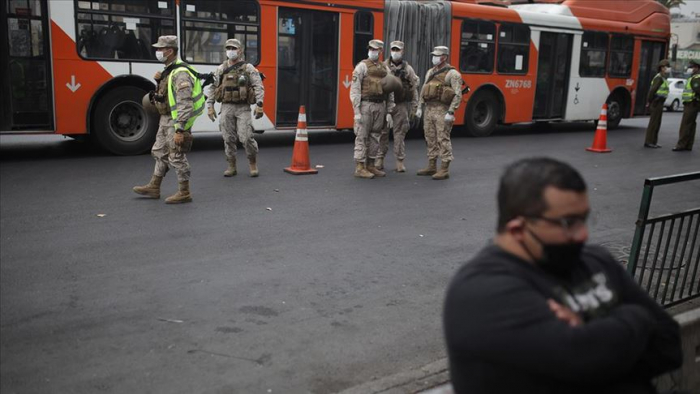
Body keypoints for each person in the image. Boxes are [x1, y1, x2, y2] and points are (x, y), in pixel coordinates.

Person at [443, 157, 682, 394]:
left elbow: (670, 346)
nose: (583, 234)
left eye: (584, 219)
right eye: (569, 223)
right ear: (518, 229)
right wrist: (637, 316)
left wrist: (594, 335)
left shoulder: (595, 260)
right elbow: (583, 362)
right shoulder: (482, 291)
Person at [133, 35, 204, 204]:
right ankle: (154, 186)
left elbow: (184, 103)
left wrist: (180, 129)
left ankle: (184, 192)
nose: (157, 52)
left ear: (170, 51)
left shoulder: (181, 73)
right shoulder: (169, 71)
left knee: (176, 156)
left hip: (176, 122)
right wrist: (158, 81)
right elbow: (166, 95)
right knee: (160, 152)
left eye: (160, 49)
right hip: (165, 119)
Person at [206, 38, 265, 177]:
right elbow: (213, 87)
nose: (231, 51)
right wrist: (210, 106)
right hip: (226, 107)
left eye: (234, 48)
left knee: (246, 137)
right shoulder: (221, 68)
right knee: (228, 138)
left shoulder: (248, 68)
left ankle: (252, 163)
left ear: (240, 50)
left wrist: (259, 104)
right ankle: (231, 165)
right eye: (228, 48)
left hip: (243, 107)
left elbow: (258, 86)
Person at [415, 46, 463, 180]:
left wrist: (451, 111)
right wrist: (420, 107)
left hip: (442, 110)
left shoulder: (453, 74)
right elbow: (424, 89)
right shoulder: (430, 72)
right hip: (429, 109)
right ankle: (431, 165)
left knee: (443, 138)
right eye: (434, 55)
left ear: (444, 57)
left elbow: (458, 95)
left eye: (437, 55)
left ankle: (444, 168)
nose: (434, 57)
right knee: (430, 137)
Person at [350, 39, 395, 179]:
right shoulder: (361, 67)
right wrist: (356, 111)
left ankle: (370, 165)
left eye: (376, 49)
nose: (373, 51)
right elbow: (355, 89)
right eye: (371, 49)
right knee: (362, 136)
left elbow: (390, 90)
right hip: (366, 105)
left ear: (380, 51)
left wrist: (389, 111)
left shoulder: (384, 69)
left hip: (380, 105)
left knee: (376, 136)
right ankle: (359, 167)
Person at [376, 41, 419, 173]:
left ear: (402, 51)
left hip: (400, 105)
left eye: (398, 50)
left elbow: (413, 88)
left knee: (399, 134)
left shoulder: (407, 69)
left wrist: (415, 107)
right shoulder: (383, 66)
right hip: (385, 104)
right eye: (393, 49)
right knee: (382, 132)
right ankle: (379, 159)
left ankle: (400, 161)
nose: (395, 52)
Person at [673, 59, 700, 151]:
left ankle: (681, 145)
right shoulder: (695, 77)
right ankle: (688, 145)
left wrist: (695, 99)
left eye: (692, 67)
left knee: (685, 124)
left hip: (691, 103)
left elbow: (697, 90)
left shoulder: (696, 78)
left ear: (696, 68)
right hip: (693, 103)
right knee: (691, 124)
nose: (690, 69)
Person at [644, 59, 670, 149]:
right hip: (656, 102)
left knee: (657, 122)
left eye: (667, 67)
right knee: (653, 122)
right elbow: (652, 91)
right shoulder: (659, 78)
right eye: (666, 67)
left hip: (660, 102)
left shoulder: (663, 78)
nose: (667, 69)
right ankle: (649, 141)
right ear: (661, 68)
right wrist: (650, 101)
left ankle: (654, 141)